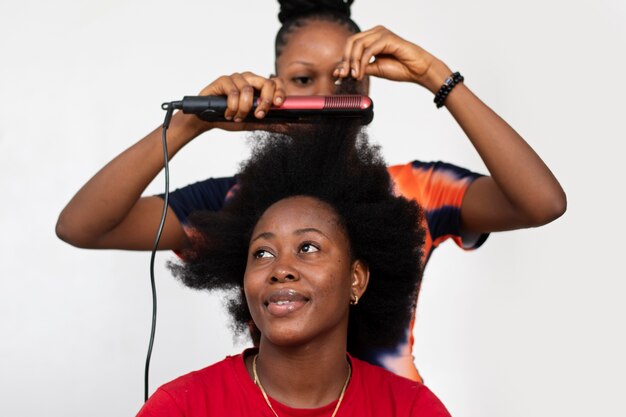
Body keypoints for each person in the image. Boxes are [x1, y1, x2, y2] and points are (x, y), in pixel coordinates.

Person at [56, 0, 566, 381]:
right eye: (302, 79)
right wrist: (190, 125)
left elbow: (541, 202)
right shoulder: (231, 202)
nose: (326, 95)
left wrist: (436, 77)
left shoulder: (417, 190)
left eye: (346, 79)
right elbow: (82, 226)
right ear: (274, 84)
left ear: (368, 88)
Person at [137, 122, 450, 416]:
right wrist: (188, 123)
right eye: (262, 252)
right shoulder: (182, 407)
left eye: (308, 248)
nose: (280, 269)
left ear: (356, 279)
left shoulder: (410, 408)